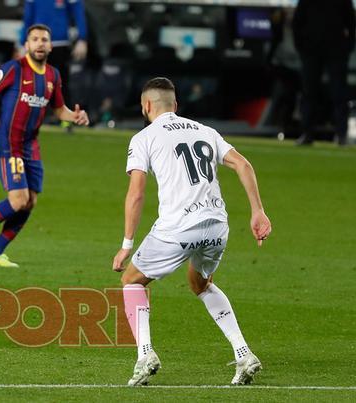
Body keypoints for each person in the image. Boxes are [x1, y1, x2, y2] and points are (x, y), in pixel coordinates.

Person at [112, 78, 272, 386]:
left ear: (146, 106)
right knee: (200, 283)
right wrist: (257, 210)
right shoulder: (205, 131)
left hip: (178, 226)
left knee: (132, 280)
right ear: (176, 105)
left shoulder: (144, 137)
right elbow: (242, 164)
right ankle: (243, 352)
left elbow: (136, 193)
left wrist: (126, 243)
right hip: (216, 224)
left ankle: (145, 355)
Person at [0, 24, 89, 268]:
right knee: (19, 199)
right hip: (9, 144)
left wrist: (75, 117)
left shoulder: (53, 75)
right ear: (27, 45)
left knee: (30, 201)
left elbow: (59, 109)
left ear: (51, 45)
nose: (40, 43)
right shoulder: (14, 69)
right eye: (35, 39)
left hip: (31, 146)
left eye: (44, 39)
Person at [292, 0, 356, 146]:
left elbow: (351, 22)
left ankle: (341, 134)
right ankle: (307, 133)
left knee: (339, 92)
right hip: (311, 50)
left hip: (336, 50)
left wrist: (348, 47)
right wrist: (302, 47)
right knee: (309, 92)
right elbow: (297, 21)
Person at [21, 0, 88, 106]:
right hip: (38, 42)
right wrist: (23, 42)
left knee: (60, 83)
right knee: (35, 82)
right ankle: (37, 116)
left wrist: (82, 39)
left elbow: (78, 11)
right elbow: (28, 17)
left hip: (61, 43)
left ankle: (62, 118)